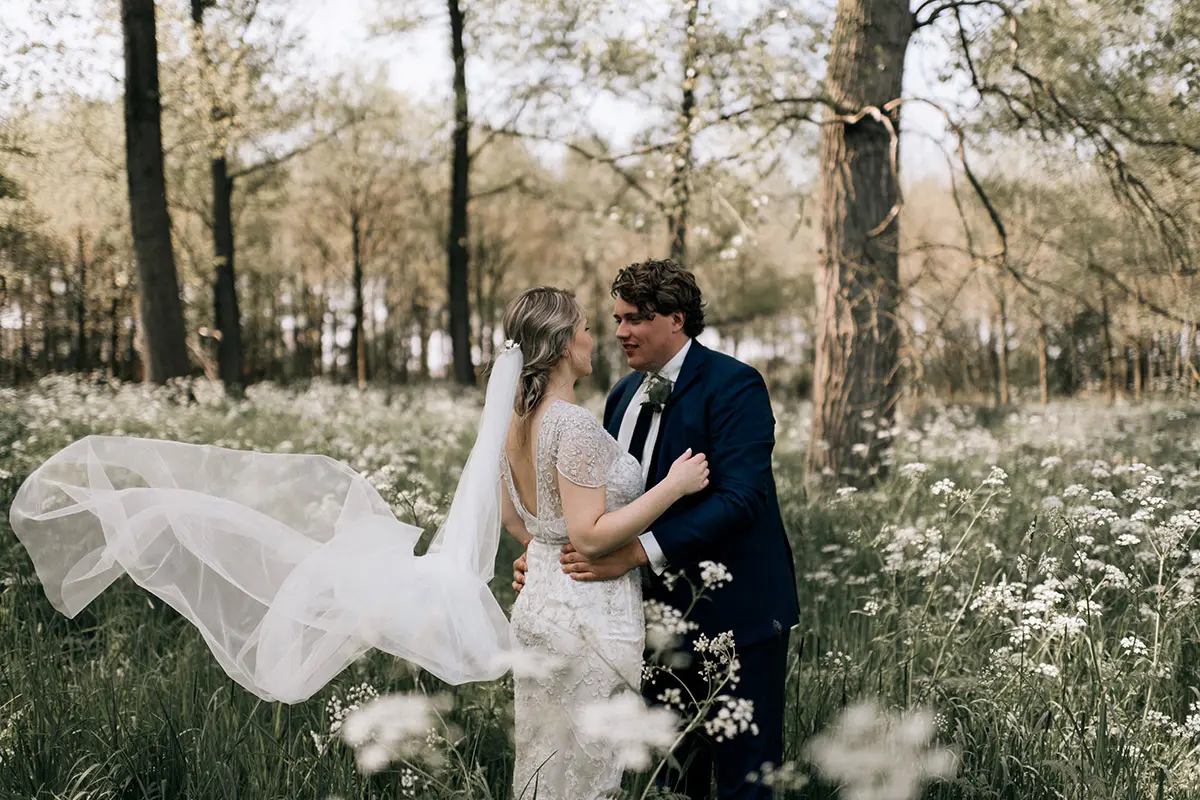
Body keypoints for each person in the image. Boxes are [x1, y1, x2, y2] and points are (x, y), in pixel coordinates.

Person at [514, 258, 800, 799]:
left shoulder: (735, 386)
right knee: (670, 781)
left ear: (677, 319)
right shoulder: (621, 394)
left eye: (635, 319)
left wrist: (637, 554)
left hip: (737, 618)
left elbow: (741, 500)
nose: (620, 331)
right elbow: (593, 503)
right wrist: (547, 556)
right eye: (616, 319)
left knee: (747, 779)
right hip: (648, 624)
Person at [497, 286, 709, 798]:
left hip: (541, 602)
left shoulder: (515, 421)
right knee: (590, 770)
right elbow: (589, 536)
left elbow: (512, 519)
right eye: (589, 328)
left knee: (543, 760)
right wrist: (671, 488)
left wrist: (541, 552)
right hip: (587, 611)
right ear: (565, 343)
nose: (599, 338)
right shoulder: (570, 423)